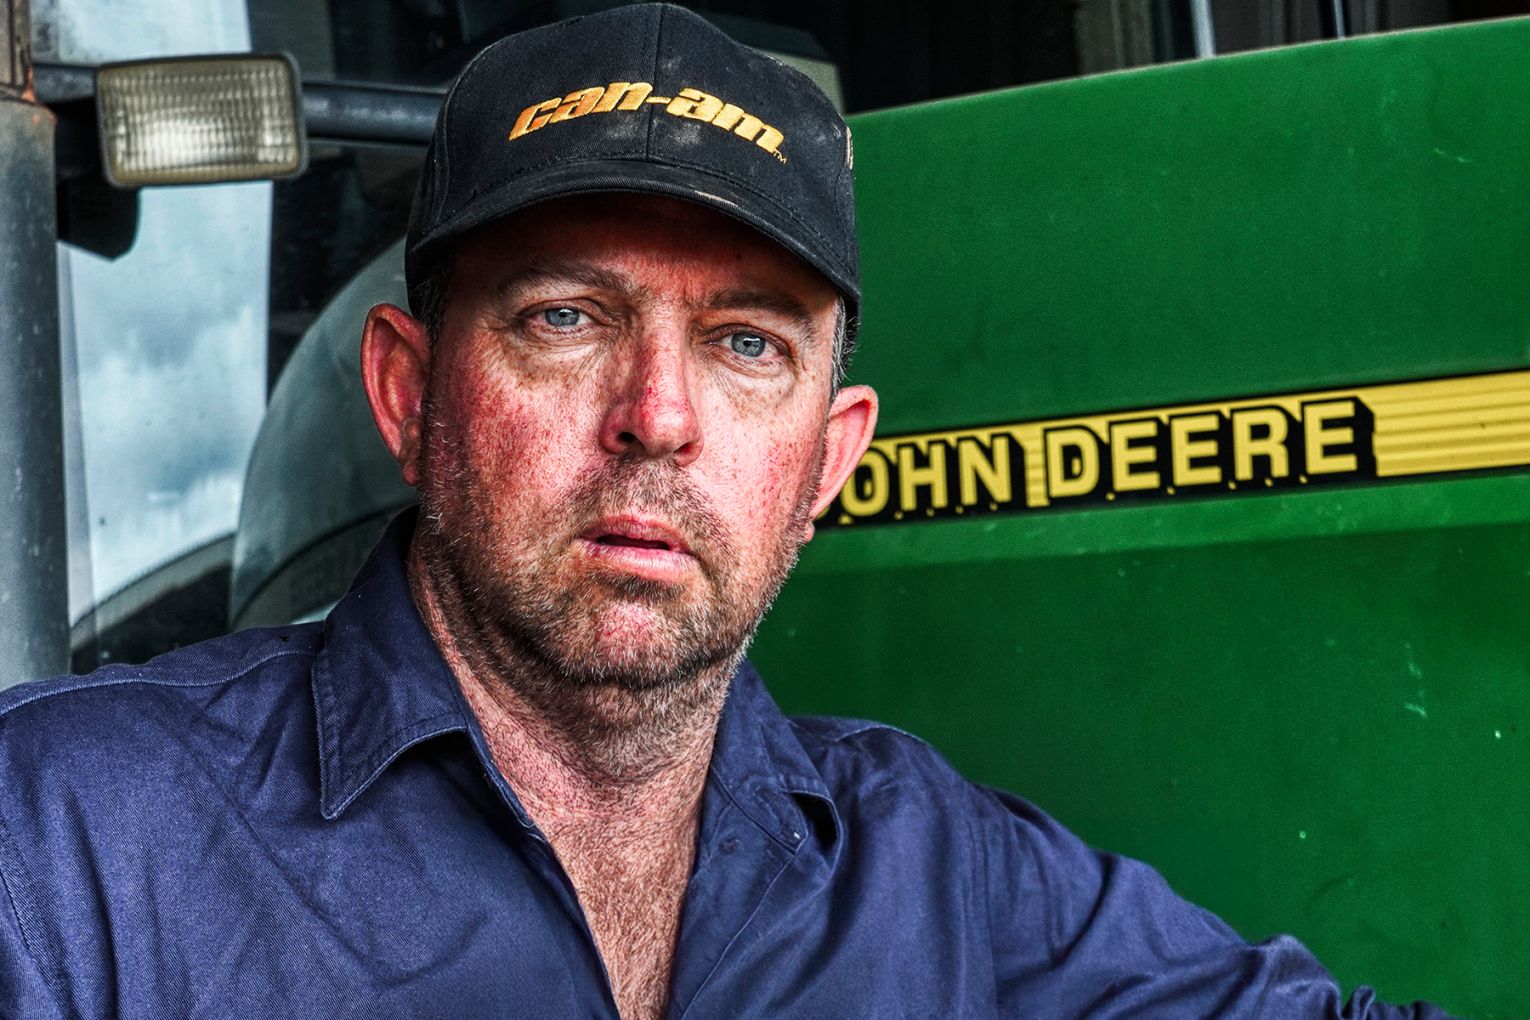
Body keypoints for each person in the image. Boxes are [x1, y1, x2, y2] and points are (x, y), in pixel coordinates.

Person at [0, 5, 1454, 1018]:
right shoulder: (69, 844)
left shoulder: (939, 874)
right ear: (406, 399)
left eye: (746, 343)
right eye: (566, 318)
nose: (659, 414)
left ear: (826, 461)